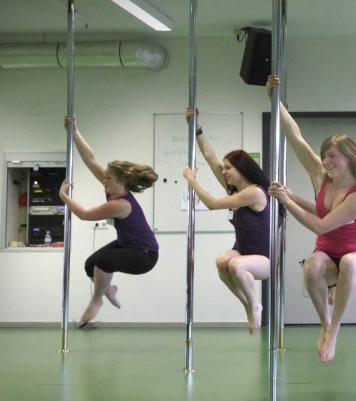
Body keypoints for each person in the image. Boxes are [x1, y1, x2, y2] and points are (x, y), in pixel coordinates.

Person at [265, 75, 356, 363]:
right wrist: (274, 100)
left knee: (350, 263)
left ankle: (335, 330)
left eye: (332, 156)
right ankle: (325, 324)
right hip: (326, 255)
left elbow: (322, 224)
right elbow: (296, 138)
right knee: (312, 265)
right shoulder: (321, 177)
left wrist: (288, 201)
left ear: (349, 157)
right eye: (324, 157)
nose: (326, 162)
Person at [59, 117, 159, 327]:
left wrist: (64, 197)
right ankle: (109, 289)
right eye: (105, 178)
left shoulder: (121, 204)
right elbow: (90, 159)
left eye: (108, 179)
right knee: (90, 265)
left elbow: (85, 215)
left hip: (145, 255)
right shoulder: (113, 190)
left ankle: (96, 301)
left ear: (121, 181)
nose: (104, 181)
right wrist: (75, 131)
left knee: (105, 262)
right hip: (127, 245)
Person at [183, 109, 271, 335]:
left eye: (229, 168)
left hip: (264, 260)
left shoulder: (254, 193)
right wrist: (196, 128)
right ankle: (250, 305)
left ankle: (254, 305)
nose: (224, 172)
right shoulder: (236, 190)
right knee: (223, 261)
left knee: (235, 264)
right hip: (242, 252)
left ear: (242, 169)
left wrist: (191, 180)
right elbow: (210, 157)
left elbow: (212, 204)